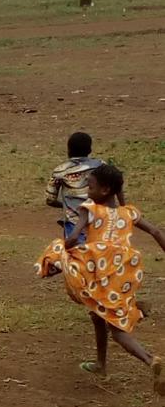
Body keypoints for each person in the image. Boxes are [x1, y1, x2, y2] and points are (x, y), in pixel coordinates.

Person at [36, 162, 165, 392]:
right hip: (125, 270)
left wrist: (62, 252)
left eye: (91, 187)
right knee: (97, 314)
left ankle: (150, 359)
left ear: (105, 190)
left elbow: (73, 238)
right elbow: (156, 231)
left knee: (117, 331)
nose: (88, 191)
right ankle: (101, 364)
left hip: (100, 270)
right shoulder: (129, 212)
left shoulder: (90, 209)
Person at [44, 131, 119, 237]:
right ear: (90, 150)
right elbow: (115, 185)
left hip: (73, 221)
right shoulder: (101, 165)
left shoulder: (60, 171)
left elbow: (50, 199)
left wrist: (65, 205)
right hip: (100, 219)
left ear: (68, 150)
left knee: (74, 247)